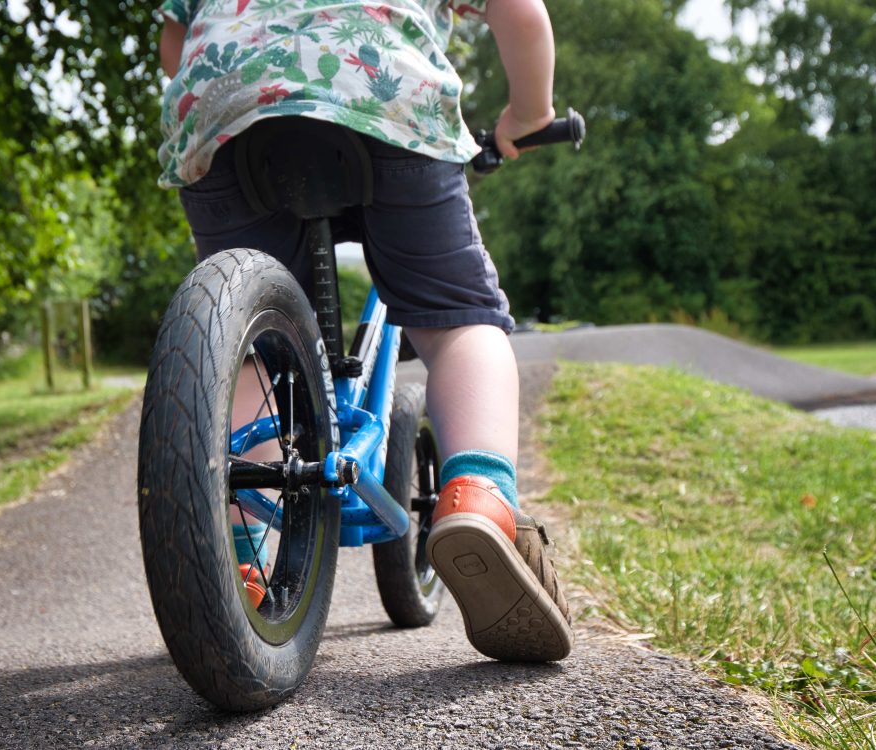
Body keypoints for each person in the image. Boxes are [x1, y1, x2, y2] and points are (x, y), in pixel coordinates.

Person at [156, 0, 573, 661]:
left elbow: (174, 45)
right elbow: (520, 11)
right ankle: (479, 496)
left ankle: (235, 553)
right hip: (386, 94)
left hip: (225, 107)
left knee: (251, 351)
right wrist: (527, 115)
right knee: (461, 322)